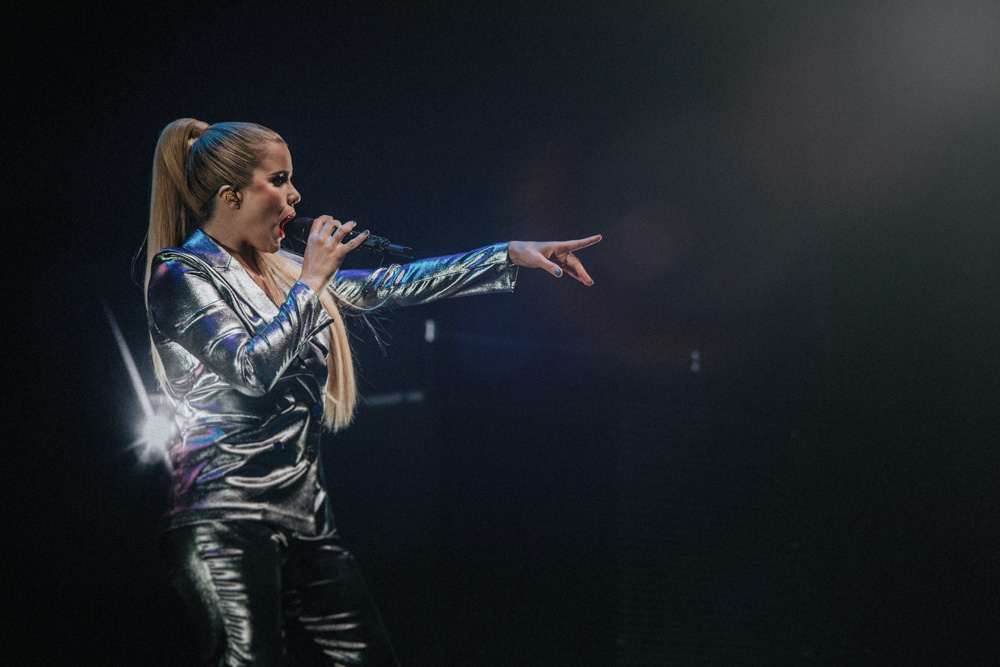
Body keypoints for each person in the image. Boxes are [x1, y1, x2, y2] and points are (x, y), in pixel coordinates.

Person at [145, 118, 601, 666]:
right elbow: (250, 368)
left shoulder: (285, 274)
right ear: (231, 195)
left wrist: (508, 254)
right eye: (280, 178)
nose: (296, 195)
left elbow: (391, 285)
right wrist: (312, 283)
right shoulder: (180, 275)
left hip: (307, 517)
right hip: (224, 517)